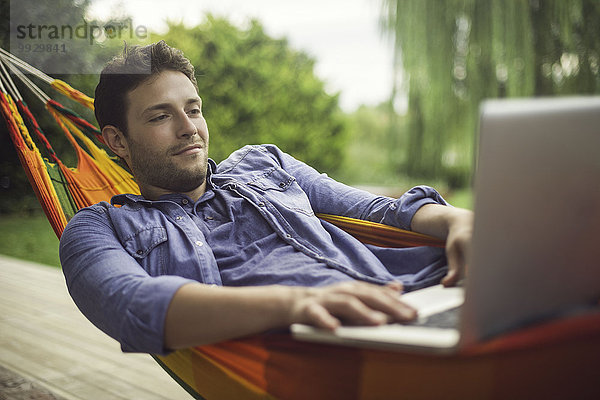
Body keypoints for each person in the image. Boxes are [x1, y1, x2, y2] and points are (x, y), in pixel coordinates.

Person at [59, 41, 473, 355]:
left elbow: (375, 210)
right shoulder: (98, 229)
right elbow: (134, 307)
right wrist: (295, 304)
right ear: (117, 140)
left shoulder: (262, 163)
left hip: (428, 293)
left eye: (194, 109)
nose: (189, 128)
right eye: (161, 116)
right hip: (329, 352)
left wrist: (456, 221)